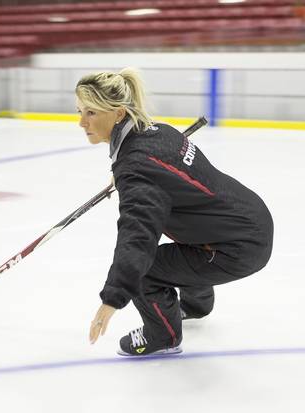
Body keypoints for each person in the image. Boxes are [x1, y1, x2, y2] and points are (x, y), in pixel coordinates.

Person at [77, 68, 274, 356]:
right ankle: (196, 306)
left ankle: (163, 336)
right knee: (185, 237)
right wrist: (125, 173)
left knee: (146, 272)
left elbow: (138, 237)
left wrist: (113, 297)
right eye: (80, 111)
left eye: (91, 113)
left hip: (238, 246)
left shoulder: (137, 167)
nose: (81, 122)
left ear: (118, 114)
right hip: (247, 218)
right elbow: (167, 177)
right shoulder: (159, 131)